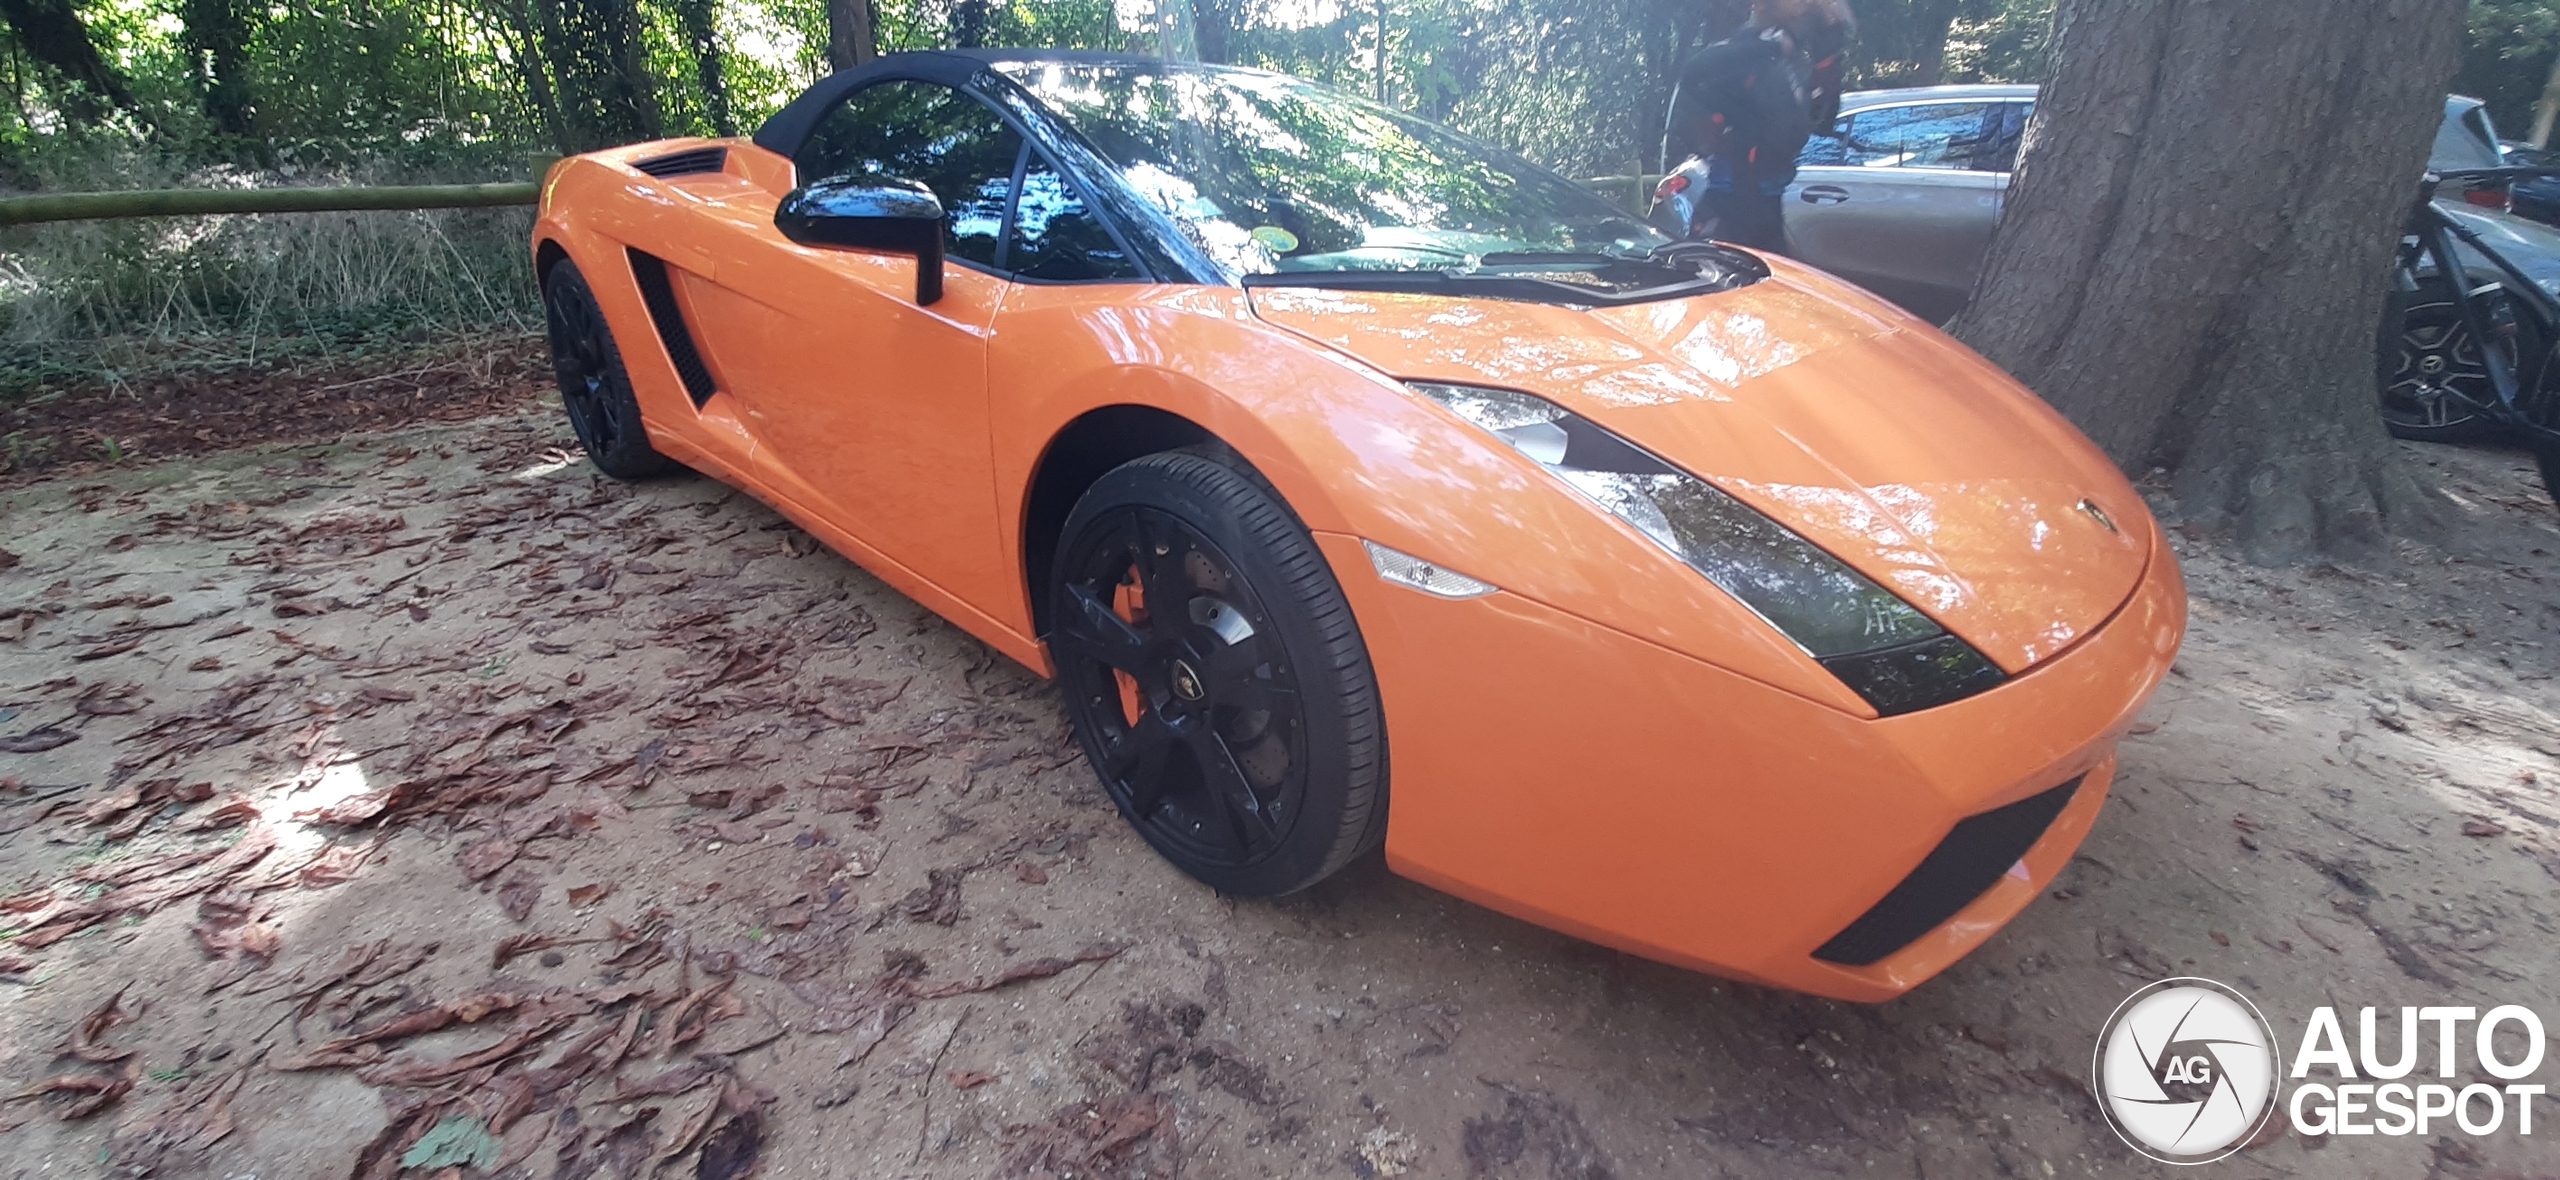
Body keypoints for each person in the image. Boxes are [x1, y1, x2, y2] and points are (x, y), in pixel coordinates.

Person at [1660, 0, 1856, 253]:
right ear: (1760, 4)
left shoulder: (1790, 63)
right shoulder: (1735, 57)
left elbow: (1823, 121)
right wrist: (1770, 47)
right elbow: (1696, 76)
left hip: (1775, 205)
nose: (1804, 4)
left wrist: (1827, 56)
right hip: (1733, 209)